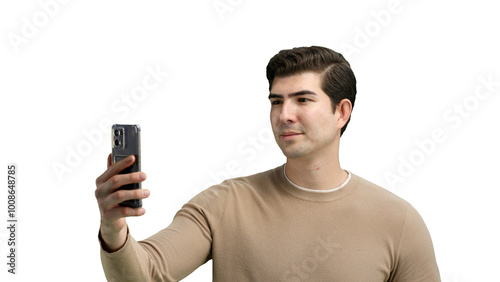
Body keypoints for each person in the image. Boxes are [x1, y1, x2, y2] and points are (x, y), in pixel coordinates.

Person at [95, 46, 441, 281]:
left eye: (302, 99)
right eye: (277, 101)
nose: (284, 115)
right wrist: (113, 228)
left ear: (342, 112)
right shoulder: (225, 204)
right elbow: (146, 274)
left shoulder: (399, 221)